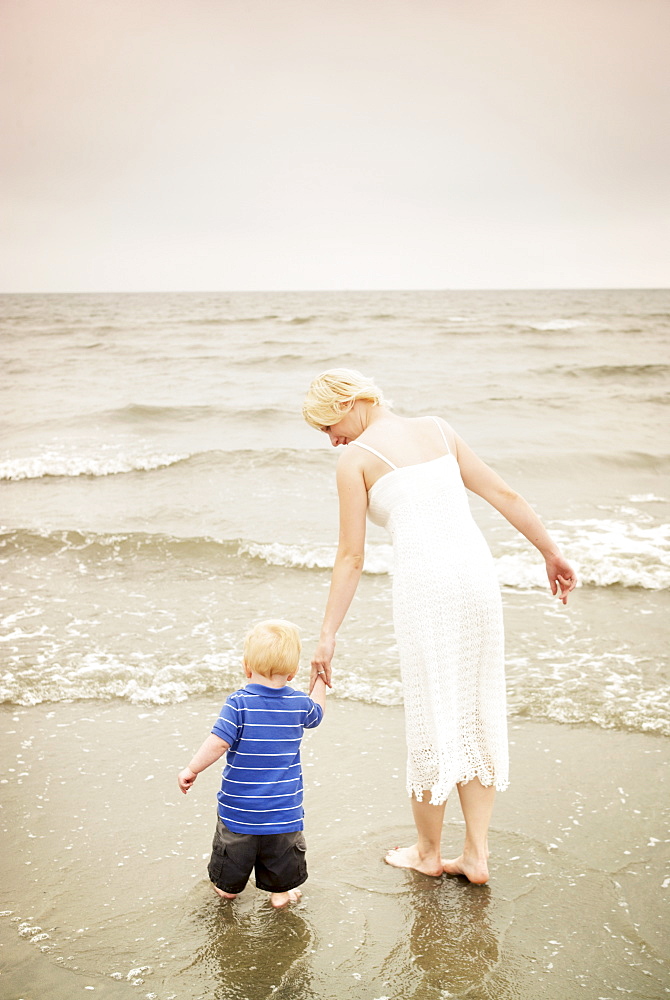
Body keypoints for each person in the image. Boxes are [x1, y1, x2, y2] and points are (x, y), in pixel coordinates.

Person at [302, 368, 576, 884]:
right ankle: (476, 855)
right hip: (477, 581)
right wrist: (551, 553)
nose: (329, 438)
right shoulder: (439, 428)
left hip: (427, 591)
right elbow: (504, 494)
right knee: (475, 711)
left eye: (325, 425)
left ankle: (428, 852)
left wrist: (327, 634)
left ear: (348, 403)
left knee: (432, 716)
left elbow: (351, 556)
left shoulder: (355, 460)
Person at [178, 619, 326, 908]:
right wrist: (319, 679)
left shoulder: (238, 704)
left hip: (239, 814)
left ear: (246, 667)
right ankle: (280, 895)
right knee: (282, 869)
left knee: (227, 877)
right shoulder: (298, 704)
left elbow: (218, 742)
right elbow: (317, 713)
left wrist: (191, 769)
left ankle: (228, 892)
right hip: (284, 813)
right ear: (294, 672)